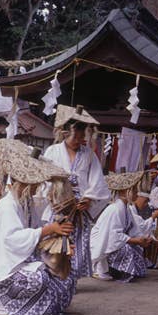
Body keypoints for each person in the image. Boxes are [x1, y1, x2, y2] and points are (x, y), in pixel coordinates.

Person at [0, 138, 76, 315]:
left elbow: (38, 228)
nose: (37, 188)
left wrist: (59, 240)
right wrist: (49, 230)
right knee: (40, 277)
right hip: (7, 270)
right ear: (22, 183)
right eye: (34, 184)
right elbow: (13, 240)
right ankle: (6, 305)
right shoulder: (6, 206)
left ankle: (37, 307)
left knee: (66, 277)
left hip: (23, 261)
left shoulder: (26, 203)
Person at [43, 104, 110, 278]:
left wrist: (89, 198)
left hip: (80, 207)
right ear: (66, 134)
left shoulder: (89, 154)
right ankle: (54, 273)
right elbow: (44, 178)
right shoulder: (52, 151)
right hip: (58, 204)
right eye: (76, 137)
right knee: (56, 239)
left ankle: (72, 278)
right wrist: (52, 196)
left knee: (78, 241)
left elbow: (97, 180)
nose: (79, 141)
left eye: (82, 137)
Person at [90, 171, 151, 281]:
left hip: (112, 242)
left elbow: (134, 229)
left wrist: (145, 239)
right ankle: (106, 268)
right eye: (135, 190)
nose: (137, 193)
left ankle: (117, 270)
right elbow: (113, 236)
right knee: (127, 249)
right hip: (102, 244)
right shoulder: (116, 209)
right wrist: (134, 240)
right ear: (125, 191)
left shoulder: (125, 208)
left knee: (136, 248)